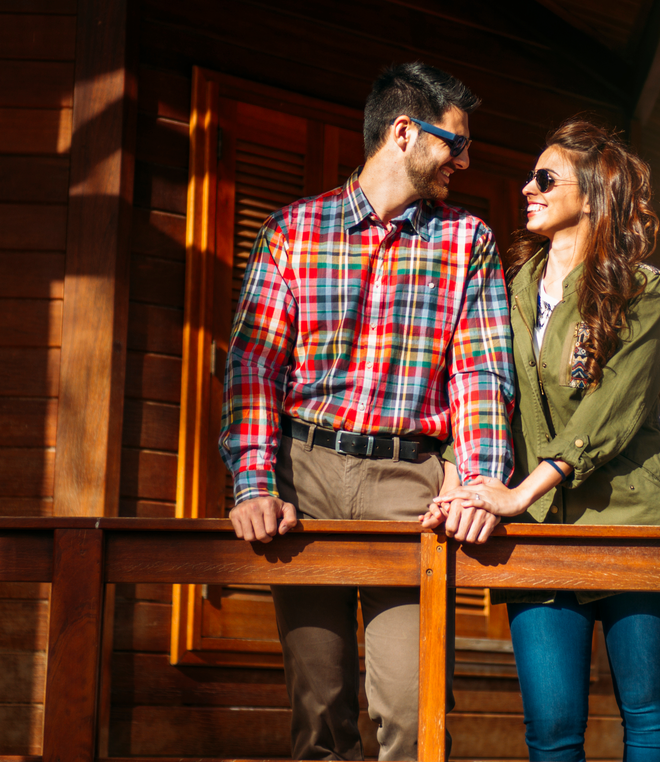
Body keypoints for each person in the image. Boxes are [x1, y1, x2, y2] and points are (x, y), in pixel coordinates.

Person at [219, 62, 514, 762]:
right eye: (457, 142)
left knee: (412, 717)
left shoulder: (467, 241)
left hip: (408, 488)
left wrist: (473, 481)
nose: (465, 161)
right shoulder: (292, 228)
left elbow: (481, 373)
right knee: (318, 720)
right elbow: (254, 363)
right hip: (304, 479)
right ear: (404, 132)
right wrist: (254, 483)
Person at [430, 116, 660, 762]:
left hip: (635, 525)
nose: (527, 188)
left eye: (545, 177)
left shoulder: (644, 289)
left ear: (594, 191)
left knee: (649, 719)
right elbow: (477, 386)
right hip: (540, 534)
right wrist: (456, 478)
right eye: (529, 177)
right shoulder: (507, 292)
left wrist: (520, 494)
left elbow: (611, 412)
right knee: (551, 733)